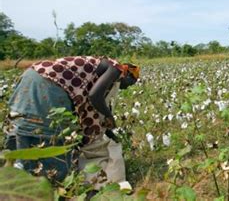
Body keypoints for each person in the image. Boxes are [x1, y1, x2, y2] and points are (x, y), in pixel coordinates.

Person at [4, 56, 139, 183]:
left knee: (23, 127)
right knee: (53, 139)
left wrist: (111, 132)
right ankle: (43, 183)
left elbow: (97, 109)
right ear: (127, 74)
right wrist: (109, 117)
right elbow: (94, 97)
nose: (127, 87)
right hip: (49, 84)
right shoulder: (115, 68)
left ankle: (19, 173)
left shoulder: (101, 69)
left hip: (31, 76)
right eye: (130, 82)